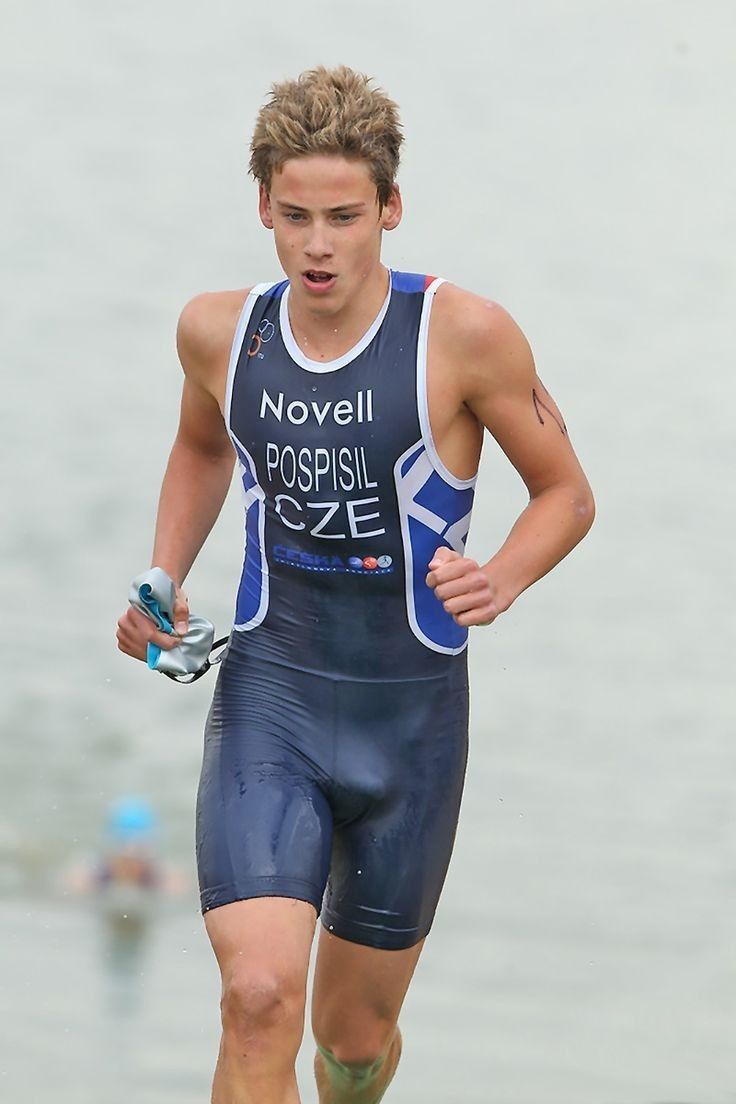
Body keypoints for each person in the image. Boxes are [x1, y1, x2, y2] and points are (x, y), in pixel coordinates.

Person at [116, 65, 594, 1104]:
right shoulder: (219, 332)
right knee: (255, 998)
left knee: (351, 1042)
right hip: (271, 700)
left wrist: (500, 577)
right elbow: (201, 450)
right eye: (295, 217)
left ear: (389, 208)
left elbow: (564, 493)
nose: (319, 244)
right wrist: (161, 578)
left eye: (343, 216)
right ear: (263, 209)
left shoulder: (462, 336)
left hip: (409, 727)